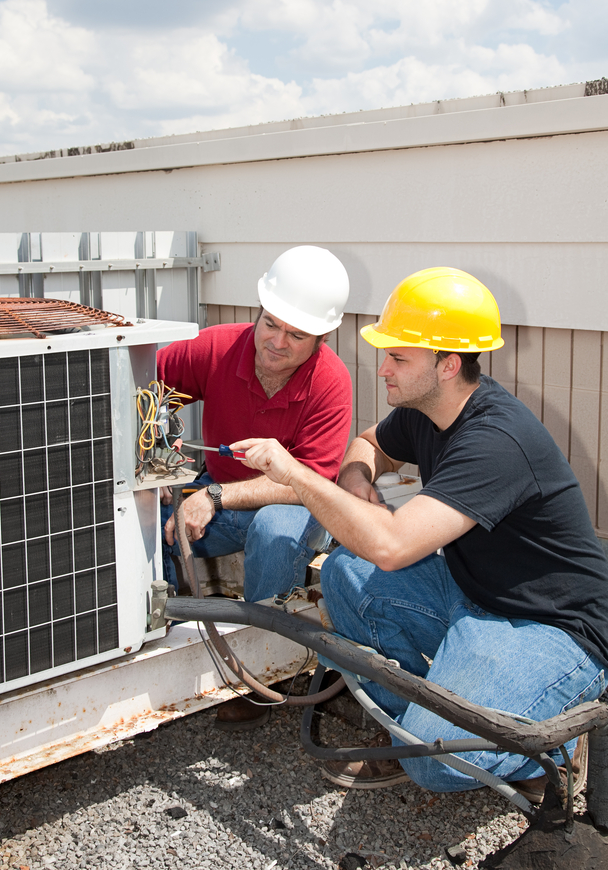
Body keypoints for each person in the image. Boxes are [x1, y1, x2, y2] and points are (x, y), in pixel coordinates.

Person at [234, 267, 608, 796]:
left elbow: (391, 546)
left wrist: (293, 471)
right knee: (346, 571)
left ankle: (552, 746)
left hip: (550, 626)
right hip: (471, 591)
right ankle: (407, 730)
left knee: (437, 766)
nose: (383, 368)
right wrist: (357, 474)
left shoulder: (496, 440)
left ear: (447, 364)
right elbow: (371, 442)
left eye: (398, 357)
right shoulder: (426, 409)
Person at [157, 246, 353, 728]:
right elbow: (139, 386)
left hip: (291, 506)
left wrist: (213, 497)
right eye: (271, 323)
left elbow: (310, 484)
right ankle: (159, 647)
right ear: (258, 311)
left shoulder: (331, 383)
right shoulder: (218, 347)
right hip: (217, 489)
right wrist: (154, 462)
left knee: (274, 530)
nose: (278, 341)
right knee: (146, 526)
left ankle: (261, 672)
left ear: (321, 337)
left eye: (296, 333)